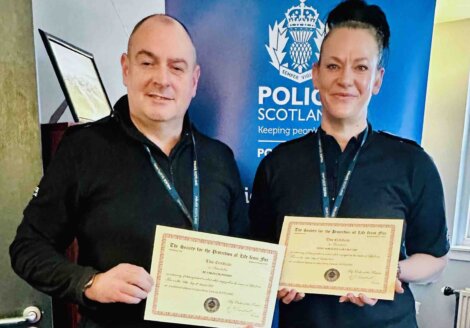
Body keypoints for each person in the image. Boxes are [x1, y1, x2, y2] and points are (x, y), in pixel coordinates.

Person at [10, 14, 248, 328]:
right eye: (148, 63)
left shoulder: (220, 158)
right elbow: (27, 248)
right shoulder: (84, 149)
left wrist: (246, 306)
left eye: (176, 67)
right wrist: (90, 283)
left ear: (193, 81)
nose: (162, 79)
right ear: (126, 68)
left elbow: (245, 257)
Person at [249, 0, 449, 327]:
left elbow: (436, 259)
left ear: (378, 79)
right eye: (333, 66)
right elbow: (260, 254)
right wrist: (274, 278)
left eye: (360, 67)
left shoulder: (412, 162)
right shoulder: (278, 164)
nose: (345, 79)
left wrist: (390, 271)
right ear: (315, 74)